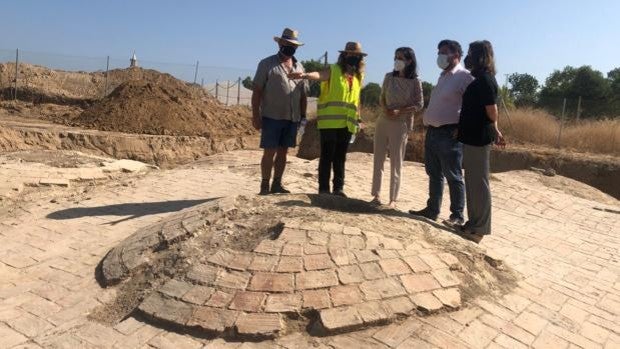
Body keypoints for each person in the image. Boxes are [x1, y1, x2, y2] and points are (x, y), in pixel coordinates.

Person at [409, 40, 474, 226]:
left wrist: (461, 128)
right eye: (439, 52)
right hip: (433, 133)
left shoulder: (465, 77)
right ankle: (432, 210)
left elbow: (472, 106)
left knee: (453, 176)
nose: (440, 56)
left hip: (450, 134)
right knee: (434, 173)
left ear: (457, 55)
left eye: (445, 52)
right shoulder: (443, 76)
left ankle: (457, 215)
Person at [288, 42, 366, 197]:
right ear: (344, 55)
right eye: (350, 54)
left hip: (347, 123)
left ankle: (339, 188)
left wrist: (359, 118)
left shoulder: (358, 76)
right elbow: (320, 75)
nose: (353, 57)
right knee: (327, 156)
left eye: (356, 55)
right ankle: (323, 189)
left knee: (340, 157)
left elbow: (357, 99)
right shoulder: (334, 70)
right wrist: (305, 75)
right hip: (329, 122)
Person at [456, 40, 506, 243]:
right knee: (473, 182)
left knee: (479, 184)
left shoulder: (485, 80)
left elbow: (492, 111)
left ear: (480, 56)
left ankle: (480, 229)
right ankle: (473, 223)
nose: (468, 56)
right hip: (471, 137)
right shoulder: (480, 79)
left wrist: (495, 129)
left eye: (471, 52)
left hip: (478, 138)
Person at [251, 28, 308, 195]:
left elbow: (303, 95)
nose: (290, 47)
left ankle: (277, 183)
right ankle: (264, 185)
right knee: (269, 151)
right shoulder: (267, 64)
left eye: (293, 45)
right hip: (271, 116)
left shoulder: (300, 67)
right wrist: (255, 115)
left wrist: (303, 117)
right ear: (280, 44)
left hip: (292, 118)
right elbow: (257, 91)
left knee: (284, 152)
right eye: (287, 44)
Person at [371, 47, 423, 207]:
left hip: (401, 123)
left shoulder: (415, 81)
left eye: (400, 58)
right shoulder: (388, 77)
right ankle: (376, 194)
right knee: (378, 158)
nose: (397, 60)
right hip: (383, 120)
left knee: (396, 161)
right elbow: (382, 97)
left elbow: (419, 104)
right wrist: (386, 108)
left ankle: (393, 198)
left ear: (409, 61)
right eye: (395, 57)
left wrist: (400, 111)